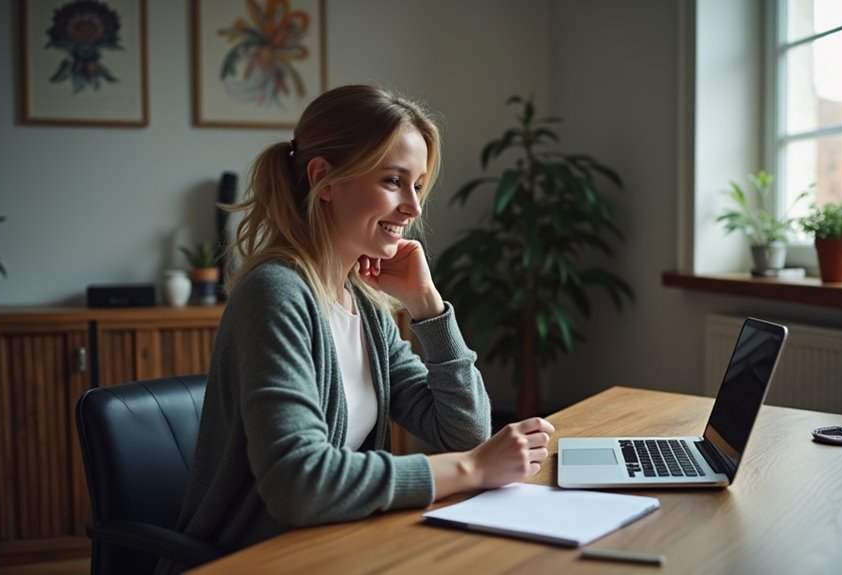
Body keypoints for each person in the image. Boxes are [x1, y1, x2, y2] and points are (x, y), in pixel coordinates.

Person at [157, 85, 555, 573]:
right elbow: (298, 485)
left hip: (339, 547)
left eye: (418, 185)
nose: (414, 208)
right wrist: (472, 470)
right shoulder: (275, 293)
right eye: (394, 181)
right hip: (260, 559)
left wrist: (428, 308)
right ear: (325, 179)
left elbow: (462, 431)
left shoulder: (363, 306)